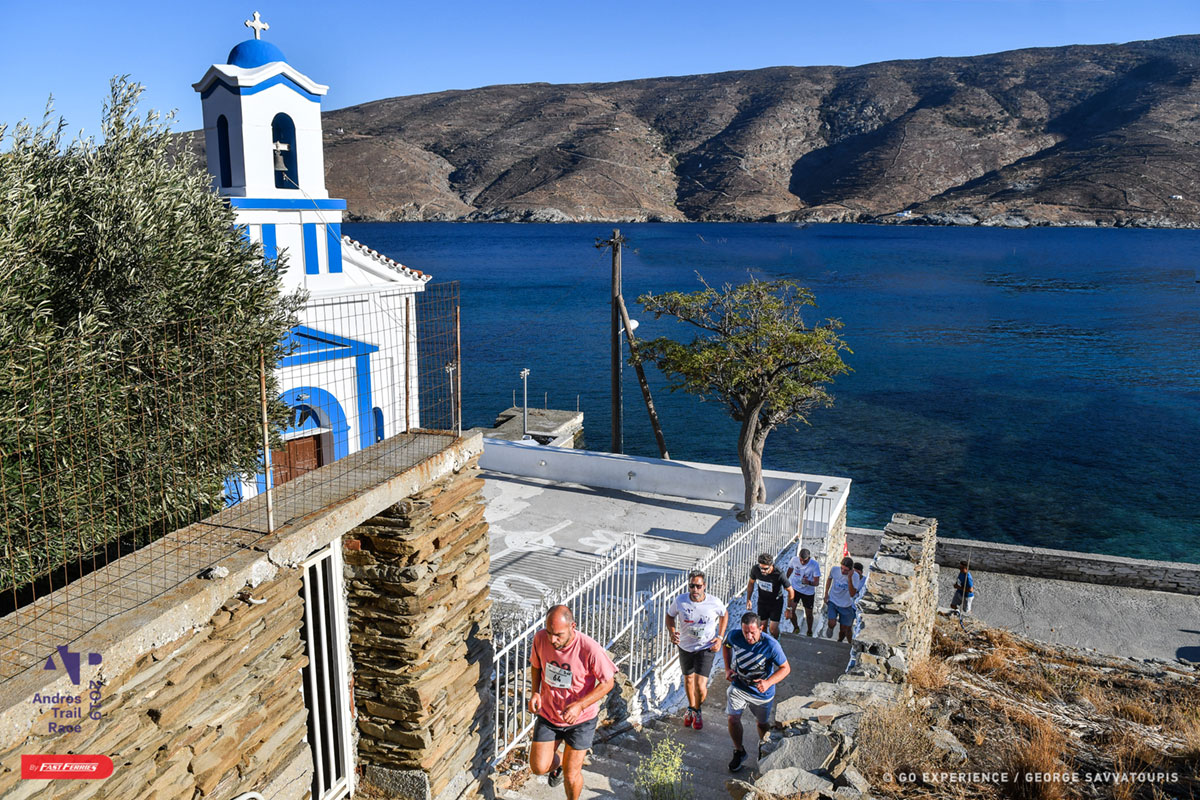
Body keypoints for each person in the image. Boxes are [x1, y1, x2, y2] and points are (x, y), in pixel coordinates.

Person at [528, 605, 617, 799]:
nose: (552, 639)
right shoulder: (541, 638)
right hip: (549, 714)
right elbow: (536, 666)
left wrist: (580, 705)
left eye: (558, 635)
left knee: (571, 774)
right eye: (549, 632)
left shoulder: (589, 648)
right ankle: (559, 763)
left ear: (572, 626)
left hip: (581, 720)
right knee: (538, 767)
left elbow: (608, 682)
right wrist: (535, 693)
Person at [723, 612, 790, 773]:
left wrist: (768, 682)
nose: (748, 636)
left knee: (761, 723)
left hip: (762, 693)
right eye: (745, 632)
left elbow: (786, 668)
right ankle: (739, 751)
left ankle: (764, 749)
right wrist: (727, 669)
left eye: (752, 632)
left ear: (761, 628)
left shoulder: (771, 645)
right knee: (732, 718)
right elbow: (726, 646)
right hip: (739, 685)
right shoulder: (735, 635)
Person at [666, 570, 728, 730]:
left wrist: (720, 637)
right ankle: (692, 709)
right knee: (688, 680)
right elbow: (669, 615)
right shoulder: (681, 600)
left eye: (698, 586)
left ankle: (696, 709)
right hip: (686, 647)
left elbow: (724, 614)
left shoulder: (714, 602)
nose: (695, 589)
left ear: (704, 586)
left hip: (706, 647)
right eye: (692, 586)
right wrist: (672, 632)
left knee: (700, 686)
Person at [745, 553, 793, 638]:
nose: (762, 571)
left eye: (765, 569)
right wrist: (748, 599)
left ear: (771, 565)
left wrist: (789, 608)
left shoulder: (779, 574)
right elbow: (751, 583)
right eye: (761, 568)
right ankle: (766, 645)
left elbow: (790, 590)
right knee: (762, 627)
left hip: (776, 603)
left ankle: (776, 642)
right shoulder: (755, 569)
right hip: (762, 602)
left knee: (773, 629)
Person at [785, 548, 821, 636]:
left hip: (808, 592)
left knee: (809, 614)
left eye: (804, 561)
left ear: (809, 558)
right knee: (791, 610)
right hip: (795, 589)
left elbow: (816, 582)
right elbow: (789, 571)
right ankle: (796, 627)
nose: (802, 562)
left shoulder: (814, 565)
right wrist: (785, 582)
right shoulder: (794, 560)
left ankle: (809, 631)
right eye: (800, 560)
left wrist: (809, 582)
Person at [823, 556, 859, 643]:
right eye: (842, 568)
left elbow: (852, 594)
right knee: (832, 622)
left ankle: (839, 641)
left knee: (844, 629)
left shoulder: (855, 576)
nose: (843, 571)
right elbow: (829, 579)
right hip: (833, 601)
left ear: (851, 570)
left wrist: (849, 578)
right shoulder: (835, 570)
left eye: (846, 570)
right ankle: (830, 628)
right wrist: (826, 593)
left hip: (846, 605)